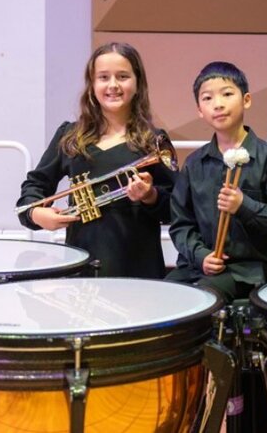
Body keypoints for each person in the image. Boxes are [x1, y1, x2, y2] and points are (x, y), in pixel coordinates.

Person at [16, 42, 176, 278]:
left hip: (138, 265)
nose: (113, 85)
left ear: (137, 83)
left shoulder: (153, 141)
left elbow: (178, 206)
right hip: (82, 263)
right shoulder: (69, 136)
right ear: (91, 85)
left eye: (122, 76)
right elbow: (34, 186)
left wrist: (150, 196)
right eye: (103, 77)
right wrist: (36, 214)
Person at [167, 62, 267, 302]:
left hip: (246, 271)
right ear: (199, 110)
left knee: (201, 298)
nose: (218, 104)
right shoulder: (195, 164)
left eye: (227, 94)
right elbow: (181, 224)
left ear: (246, 100)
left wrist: (244, 205)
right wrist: (201, 255)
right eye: (207, 98)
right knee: (161, 297)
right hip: (197, 267)